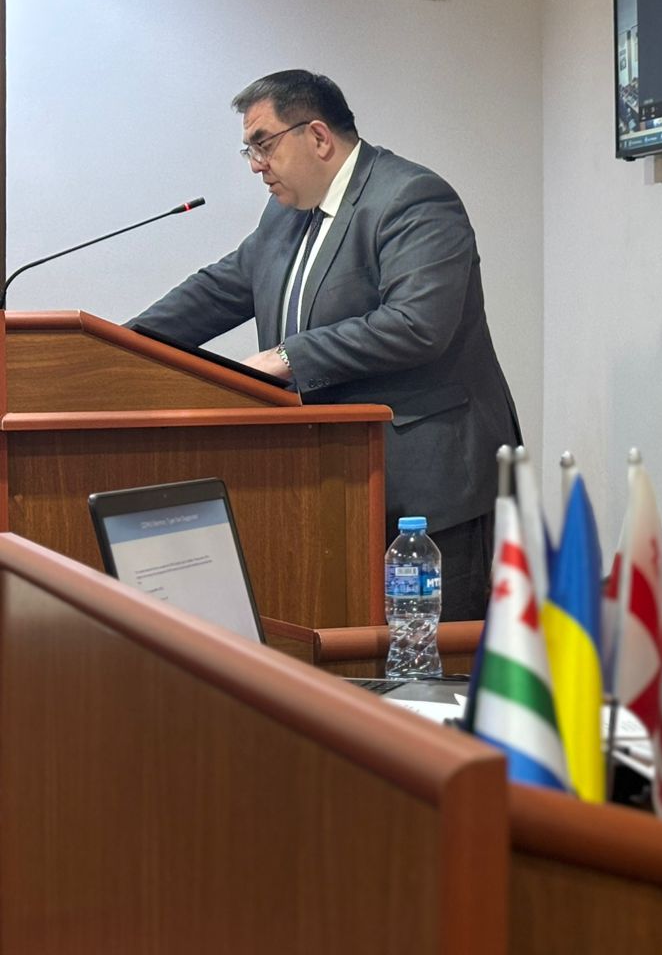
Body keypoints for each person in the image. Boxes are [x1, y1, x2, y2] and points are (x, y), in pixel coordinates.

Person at [132, 70, 518, 621]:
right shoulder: (284, 215)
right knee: (340, 648)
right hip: (331, 482)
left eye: (263, 144)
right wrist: (114, 347)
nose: (255, 164)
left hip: (427, 494)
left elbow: (416, 323)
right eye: (249, 149)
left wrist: (287, 357)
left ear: (317, 136)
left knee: (425, 657)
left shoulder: (412, 198)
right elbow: (218, 289)